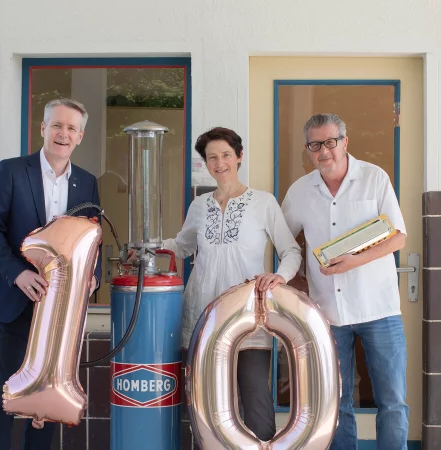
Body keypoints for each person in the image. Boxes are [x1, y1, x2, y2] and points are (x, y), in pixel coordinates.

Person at [0, 98, 101, 449]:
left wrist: (91, 277)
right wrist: (18, 274)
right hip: (14, 301)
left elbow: (92, 240)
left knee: (48, 401)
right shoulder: (12, 170)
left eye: (71, 128)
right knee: (3, 398)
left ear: (80, 136)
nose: (64, 133)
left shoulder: (87, 182)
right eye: (57, 125)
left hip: (60, 313)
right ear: (43, 128)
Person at [165, 127, 302, 441]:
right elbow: (182, 245)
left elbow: (291, 250)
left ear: (239, 157)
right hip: (203, 317)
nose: (219, 162)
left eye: (226, 154)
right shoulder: (199, 206)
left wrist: (280, 277)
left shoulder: (263, 203)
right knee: (206, 406)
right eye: (212, 157)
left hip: (249, 319)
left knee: (255, 404)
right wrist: (148, 249)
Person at [281, 113, 408, 450]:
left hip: (379, 309)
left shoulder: (374, 178)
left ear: (345, 142)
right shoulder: (300, 191)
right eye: (315, 145)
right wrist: (298, 284)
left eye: (331, 142)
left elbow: (397, 238)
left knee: (392, 402)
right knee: (336, 404)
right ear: (308, 149)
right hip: (328, 314)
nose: (325, 151)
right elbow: (285, 243)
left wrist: (355, 261)